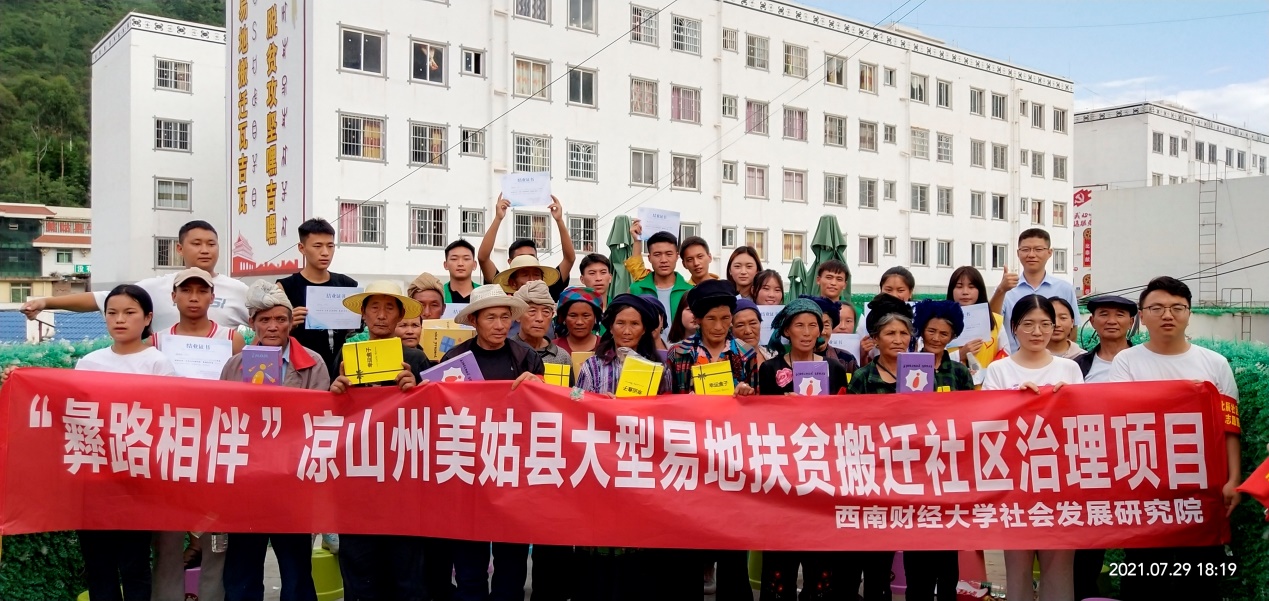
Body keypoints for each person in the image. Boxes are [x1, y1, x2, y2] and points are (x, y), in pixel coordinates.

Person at [1109, 277, 1242, 601]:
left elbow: (1229, 426)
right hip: (1146, 490)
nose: (1167, 315)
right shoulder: (1126, 362)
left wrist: (1234, 479)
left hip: (1200, 492)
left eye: (1177, 307)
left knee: (1199, 583)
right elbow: (1119, 422)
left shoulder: (1214, 364)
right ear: (1142, 315)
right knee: (1143, 581)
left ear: (1189, 313)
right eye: (1157, 308)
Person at [218, 281, 325, 601]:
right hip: (247, 481)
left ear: (291, 322)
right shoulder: (236, 364)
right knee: (242, 568)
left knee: (296, 569)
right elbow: (224, 418)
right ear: (252, 323)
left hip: (292, 482)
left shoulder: (313, 362)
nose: (273, 326)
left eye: (280, 319)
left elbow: (320, 420)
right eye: (264, 319)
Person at [328, 281, 430, 601]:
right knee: (360, 573)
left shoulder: (416, 360)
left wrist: (417, 390)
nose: (382, 315)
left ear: (400, 315)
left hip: (403, 482)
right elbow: (332, 418)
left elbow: (434, 417)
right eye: (375, 307)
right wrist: (336, 392)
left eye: (389, 308)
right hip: (358, 481)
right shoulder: (345, 356)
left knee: (407, 575)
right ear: (363, 313)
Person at [74, 285, 177, 601]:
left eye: (129, 312)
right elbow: (73, 413)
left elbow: (167, 418)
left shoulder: (158, 363)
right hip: (94, 480)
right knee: (98, 565)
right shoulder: (89, 363)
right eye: (112, 313)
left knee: (134, 564)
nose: (120, 319)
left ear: (147, 318)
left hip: (137, 480)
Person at [446, 284, 545, 601]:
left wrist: (540, 386)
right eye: (491, 317)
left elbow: (549, 409)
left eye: (505, 317)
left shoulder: (527, 357)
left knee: (511, 562)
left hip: (513, 471)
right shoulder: (454, 359)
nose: (500, 325)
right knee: (469, 563)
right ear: (474, 320)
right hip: (468, 471)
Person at [981, 295, 1083, 601]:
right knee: (1018, 569)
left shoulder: (1070, 370)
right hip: (1016, 482)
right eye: (1028, 324)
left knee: (1060, 569)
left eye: (1045, 324)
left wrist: (1072, 399)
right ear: (1014, 327)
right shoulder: (999, 370)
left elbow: (1084, 424)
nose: (1037, 332)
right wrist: (1015, 400)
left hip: (1061, 481)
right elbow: (987, 424)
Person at [572, 294, 668, 601]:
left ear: (645, 328)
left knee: (637, 538)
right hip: (600, 463)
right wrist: (599, 405)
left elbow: (669, 416)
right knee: (599, 534)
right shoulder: (591, 366)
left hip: (641, 465)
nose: (627, 331)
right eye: (620, 323)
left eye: (634, 324)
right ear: (610, 326)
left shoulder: (659, 368)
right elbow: (573, 405)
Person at [756, 299, 849, 601]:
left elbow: (845, 420)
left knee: (819, 555)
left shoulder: (834, 369)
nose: (807, 332)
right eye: (799, 325)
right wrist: (783, 408)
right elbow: (760, 423)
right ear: (786, 330)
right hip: (782, 473)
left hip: (822, 472)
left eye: (813, 326)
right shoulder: (769, 369)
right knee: (780, 554)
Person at [21, 220, 249, 332]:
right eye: (196, 244)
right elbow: (101, 299)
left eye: (211, 244)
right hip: (165, 386)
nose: (205, 250)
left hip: (218, 389)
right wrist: (45, 302)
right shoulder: (155, 287)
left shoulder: (238, 291)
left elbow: (266, 324)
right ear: (180, 249)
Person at [843, 294, 916, 601]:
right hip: (868, 475)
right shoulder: (863, 376)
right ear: (875, 339)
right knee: (853, 561)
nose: (898, 339)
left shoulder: (921, 374)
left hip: (905, 474)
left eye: (904, 333)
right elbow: (848, 425)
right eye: (890, 333)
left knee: (881, 565)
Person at [904, 300, 975, 601]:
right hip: (912, 468)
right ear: (921, 330)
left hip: (949, 470)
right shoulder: (905, 365)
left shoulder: (959, 372)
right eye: (931, 331)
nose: (936, 338)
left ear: (953, 335)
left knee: (947, 555)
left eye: (944, 333)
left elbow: (972, 415)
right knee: (915, 550)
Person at [1070, 294, 1137, 600]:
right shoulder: (1077, 366)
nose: (1112, 320)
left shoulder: (1146, 361)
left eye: (1120, 315)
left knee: (1138, 540)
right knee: (1088, 542)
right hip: (1090, 463)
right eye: (1104, 314)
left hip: (1137, 462)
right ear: (1092, 321)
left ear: (1131, 321)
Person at [277, 218, 360, 375]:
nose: (325, 252)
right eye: (317, 246)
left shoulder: (347, 285)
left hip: (342, 369)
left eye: (330, 246)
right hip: (301, 371)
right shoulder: (285, 288)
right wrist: (287, 323)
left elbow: (359, 331)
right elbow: (270, 333)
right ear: (302, 248)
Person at [664, 280, 758, 395]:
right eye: (711, 318)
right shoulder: (678, 353)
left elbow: (756, 399)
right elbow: (667, 398)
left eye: (725, 318)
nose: (718, 327)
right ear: (698, 319)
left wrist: (746, 394)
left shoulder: (746, 353)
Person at [478, 195, 575, 300]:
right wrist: (498, 218)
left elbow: (569, 259)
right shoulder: (501, 290)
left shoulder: (549, 290)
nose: (531, 280)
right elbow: (483, 258)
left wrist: (559, 220)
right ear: (510, 262)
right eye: (521, 257)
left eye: (531, 256)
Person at [1001, 228, 1081, 353]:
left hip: (1055, 361)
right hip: (1015, 359)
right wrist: (1001, 290)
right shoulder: (1006, 290)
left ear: (1049, 252)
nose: (1031, 255)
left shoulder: (1064, 288)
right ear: (1018, 253)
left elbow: (1072, 330)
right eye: (1025, 249)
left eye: (1038, 249)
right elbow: (992, 325)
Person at [150, 267, 246, 354]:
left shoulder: (232, 340)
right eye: (186, 290)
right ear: (174, 296)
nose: (194, 298)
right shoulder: (155, 343)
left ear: (212, 298)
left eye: (202, 291)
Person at [945, 266, 1006, 383]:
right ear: (951, 290)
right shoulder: (940, 322)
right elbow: (931, 360)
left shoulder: (996, 322)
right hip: (952, 388)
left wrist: (984, 374)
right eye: (959, 286)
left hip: (987, 388)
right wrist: (959, 355)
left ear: (980, 290)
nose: (965, 292)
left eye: (971, 287)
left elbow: (1005, 357)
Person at [628, 230, 693, 329]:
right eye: (657, 254)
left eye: (669, 254)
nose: (663, 260)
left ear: (677, 256)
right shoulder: (636, 290)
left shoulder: (691, 291)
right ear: (649, 258)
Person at [627, 221, 718, 286]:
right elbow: (638, 271)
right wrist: (637, 240)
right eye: (689, 259)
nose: (696, 263)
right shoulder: (686, 290)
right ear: (684, 263)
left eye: (700, 256)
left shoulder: (724, 286)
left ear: (710, 257)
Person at [513, 281, 572, 369]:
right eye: (532, 311)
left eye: (546, 312)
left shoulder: (562, 357)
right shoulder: (505, 352)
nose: (540, 318)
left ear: (552, 315)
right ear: (518, 315)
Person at [859, 267, 914, 360]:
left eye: (900, 290)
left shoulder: (920, 320)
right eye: (888, 290)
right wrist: (863, 354)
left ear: (910, 292)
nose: (894, 295)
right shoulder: (868, 321)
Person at [807, 296, 859, 372]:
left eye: (826, 325)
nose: (822, 332)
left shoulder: (847, 359)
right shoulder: (791, 360)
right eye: (814, 325)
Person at [554, 287, 603, 354]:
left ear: (595, 318)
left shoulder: (608, 347)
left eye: (586, 316)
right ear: (564, 318)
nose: (579, 322)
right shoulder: (552, 349)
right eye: (573, 316)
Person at [493, 254, 562, 293]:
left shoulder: (551, 308)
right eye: (525, 275)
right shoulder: (507, 311)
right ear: (513, 283)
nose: (532, 280)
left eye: (536, 275)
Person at [731, 298, 770, 367]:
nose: (748, 331)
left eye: (753, 323)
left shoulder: (772, 356)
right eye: (740, 325)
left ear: (760, 323)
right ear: (731, 329)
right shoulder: (727, 361)